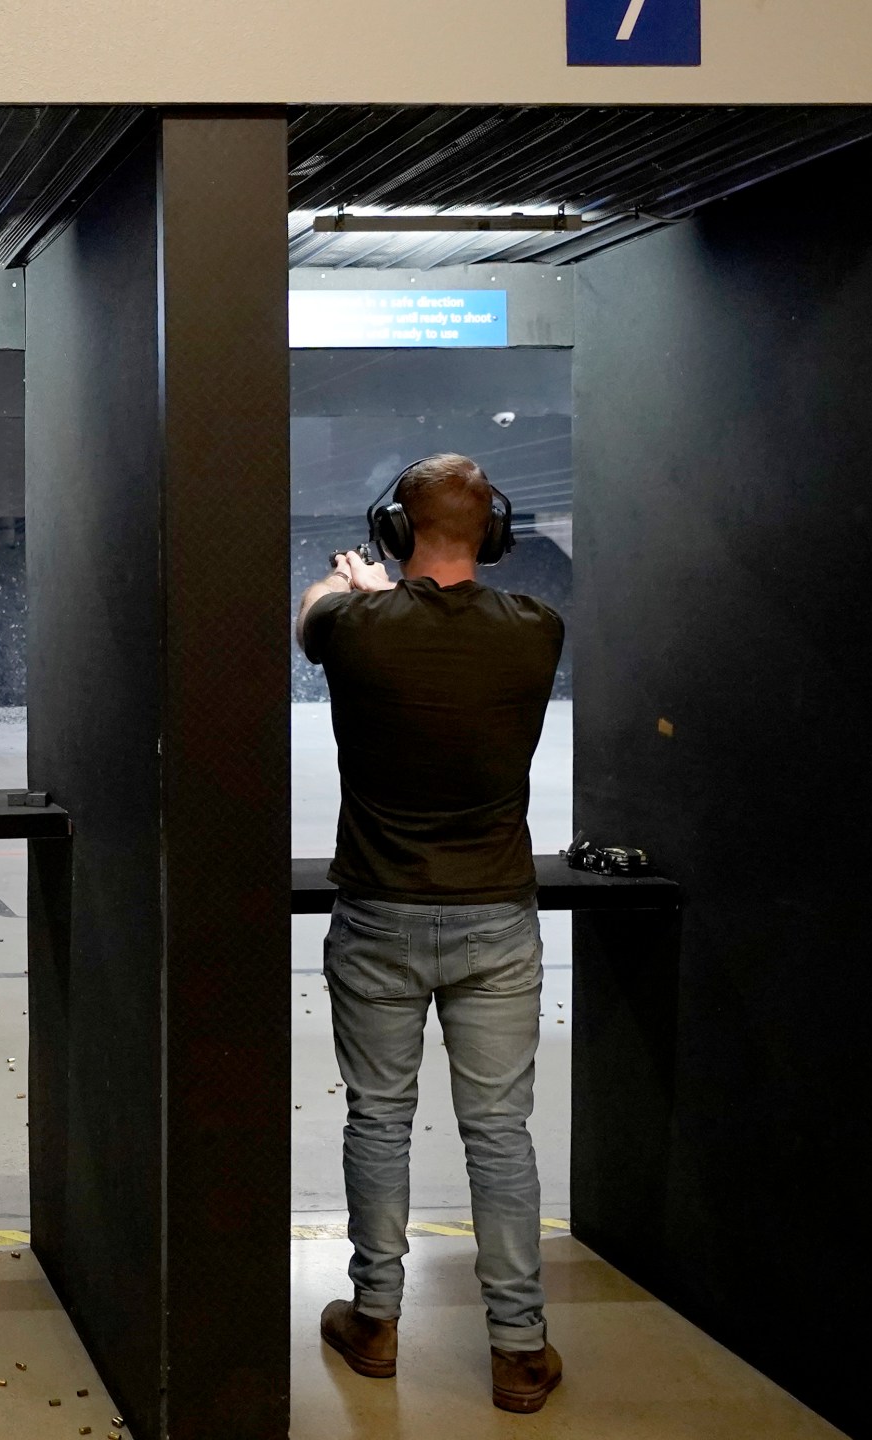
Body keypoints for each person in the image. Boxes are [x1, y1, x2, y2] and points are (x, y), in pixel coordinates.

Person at [297, 453, 568, 1415]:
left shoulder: (354, 626)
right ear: (493, 532)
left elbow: (313, 615)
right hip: (497, 915)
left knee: (379, 1117)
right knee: (500, 1132)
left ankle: (374, 1317)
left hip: (379, 912)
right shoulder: (538, 630)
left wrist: (360, 583)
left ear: (394, 532)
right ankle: (520, 1347)